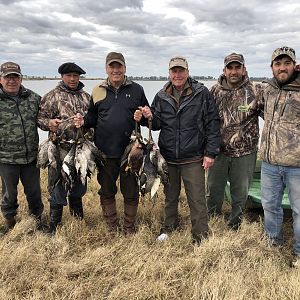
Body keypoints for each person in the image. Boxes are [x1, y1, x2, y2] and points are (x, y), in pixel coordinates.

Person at [140, 56, 220, 243]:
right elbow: (157, 123)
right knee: (170, 197)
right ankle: (169, 227)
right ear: (169, 73)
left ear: (187, 72)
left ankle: (200, 234)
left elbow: (212, 123)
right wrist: (148, 116)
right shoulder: (161, 95)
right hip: (168, 157)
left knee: (196, 199)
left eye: (181, 70)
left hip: (193, 156)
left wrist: (210, 152)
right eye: (174, 71)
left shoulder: (201, 93)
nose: (177, 75)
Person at [74, 52, 149, 234]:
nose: (115, 70)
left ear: (124, 68)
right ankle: (112, 227)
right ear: (106, 68)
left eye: (119, 66)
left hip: (130, 152)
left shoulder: (137, 89)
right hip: (104, 151)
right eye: (112, 66)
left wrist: (144, 116)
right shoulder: (98, 90)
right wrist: (83, 121)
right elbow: (92, 116)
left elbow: (147, 119)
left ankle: (129, 227)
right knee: (107, 190)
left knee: (130, 191)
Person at [206, 53, 263, 229]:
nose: (234, 71)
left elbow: (272, 115)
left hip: (245, 153)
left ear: (244, 69)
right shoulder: (214, 90)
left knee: (240, 192)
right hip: (219, 151)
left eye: (237, 67)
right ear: (224, 70)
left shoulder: (256, 90)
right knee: (213, 189)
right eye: (230, 67)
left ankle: (235, 223)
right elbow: (206, 119)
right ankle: (213, 219)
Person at [37, 62, 91, 233]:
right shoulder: (52, 96)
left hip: (80, 149)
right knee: (56, 184)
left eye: (76, 76)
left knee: (78, 184)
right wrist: (49, 124)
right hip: (58, 149)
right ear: (62, 76)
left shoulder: (86, 97)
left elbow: (94, 121)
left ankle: (78, 220)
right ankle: (54, 225)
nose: (73, 79)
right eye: (69, 76)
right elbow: (40, 118)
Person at [259, 46, 300, 267]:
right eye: (278, 64)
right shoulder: (269, 89)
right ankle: (273, 243)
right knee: (270, 206)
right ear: (272, 67)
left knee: (299, 211)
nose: (282, 68)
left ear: (294, 65)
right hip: (270, 163)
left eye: (286, 63)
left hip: (296, 165)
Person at [0, 61, 44, 232]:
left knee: (34, 193)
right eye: (7, 77)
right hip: (6, 158)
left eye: (15, 77)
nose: (12, 81)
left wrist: (53, 124)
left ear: (21, 78)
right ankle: (10, 223)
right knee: (9, 194)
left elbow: (44, 119)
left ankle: (38, 222)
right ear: (1, 79)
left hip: (31, 157)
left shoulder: (33, 98)